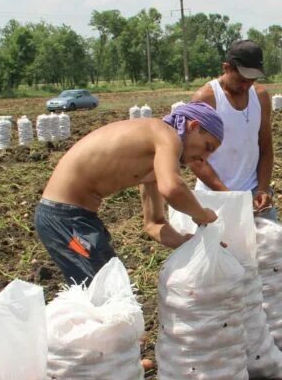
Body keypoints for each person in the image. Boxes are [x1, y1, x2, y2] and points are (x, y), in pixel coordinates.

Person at [35, 102, 223, 286]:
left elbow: (154, 224)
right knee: (103, 294)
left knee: (109, 290)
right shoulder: (165, 134)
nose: (203, 158)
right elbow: (173, 189)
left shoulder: (155, 160)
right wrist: (203, 215)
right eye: (208, 147)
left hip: (78, 219)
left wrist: (188, 243)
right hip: (63, 220)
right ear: (194, 126)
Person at [190, 39, 278, 220]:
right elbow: (195, 159)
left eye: (251, 80)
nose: (246, 86)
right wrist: (229, 197)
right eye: (241, 80)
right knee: (221, 247)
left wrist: (262, 189)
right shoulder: (207, 99)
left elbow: (265, 147)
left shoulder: (260, 97)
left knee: (270, 244)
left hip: (252, 194)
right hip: (215, 195)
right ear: (226, 68)